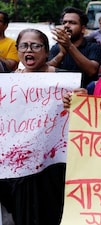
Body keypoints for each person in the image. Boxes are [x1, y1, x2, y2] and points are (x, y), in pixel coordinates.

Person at [0, 29, 66, 225]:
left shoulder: (63, 81)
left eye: (35, 46)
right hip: (20, 169)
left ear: (46, 52)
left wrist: (78, 98)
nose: (29, 50)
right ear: (18, 51)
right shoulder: (9, 84)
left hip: (52, 167)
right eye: (24, 46)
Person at [48, 6, 101, 88]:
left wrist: (69, 46)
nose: (66, 26)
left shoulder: (94, 47)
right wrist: (61, 54)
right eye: (64, 22)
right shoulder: (56, 48)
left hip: (84, 98)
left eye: (72, 23)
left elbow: (92, 71)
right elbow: (46, 72)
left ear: (83, 29)